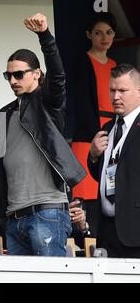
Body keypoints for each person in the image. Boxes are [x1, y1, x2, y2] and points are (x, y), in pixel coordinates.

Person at [0, 13, 86, 257]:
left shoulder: (48, 104)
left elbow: (58, 77)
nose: (13, 81)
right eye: (9, 75)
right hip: (14, 218)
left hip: (46, 212)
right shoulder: (4, 114)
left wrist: (44, 36)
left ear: (37, 74)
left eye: (19, 74)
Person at [66, 13, 117, 235]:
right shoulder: (81, 63)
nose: (104, 37)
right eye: (98, 32)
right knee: (86, 195)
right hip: (88, 136)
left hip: (113, 131)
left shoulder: (116, 65)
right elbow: (83, 106)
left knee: (110, 191)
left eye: (109, 32)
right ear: (89, 35)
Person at [88, 63, 140, 258]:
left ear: (139, 91)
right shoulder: (107, 128)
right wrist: (93, 155)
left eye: (123, 91)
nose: (116, 97)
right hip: (107, 231)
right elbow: (105, 174)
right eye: (112, 90)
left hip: (135, 232)